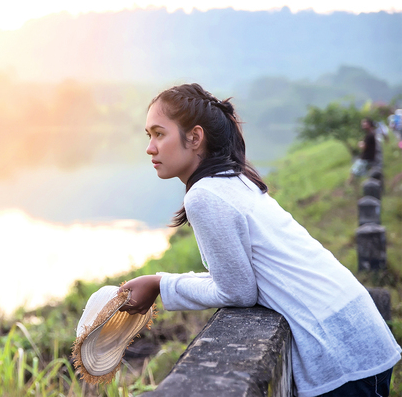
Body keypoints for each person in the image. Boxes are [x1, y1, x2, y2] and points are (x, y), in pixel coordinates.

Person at [119, 83, 399, 396]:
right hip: (356, 330)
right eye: (148, 136)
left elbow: (237, 291)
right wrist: (160, 282)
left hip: (340, 353)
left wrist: (160, 284)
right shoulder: (233, 179)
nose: (150, 147)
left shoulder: (205, 195)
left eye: (159, 134)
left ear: (195, 137)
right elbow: (237, 279)